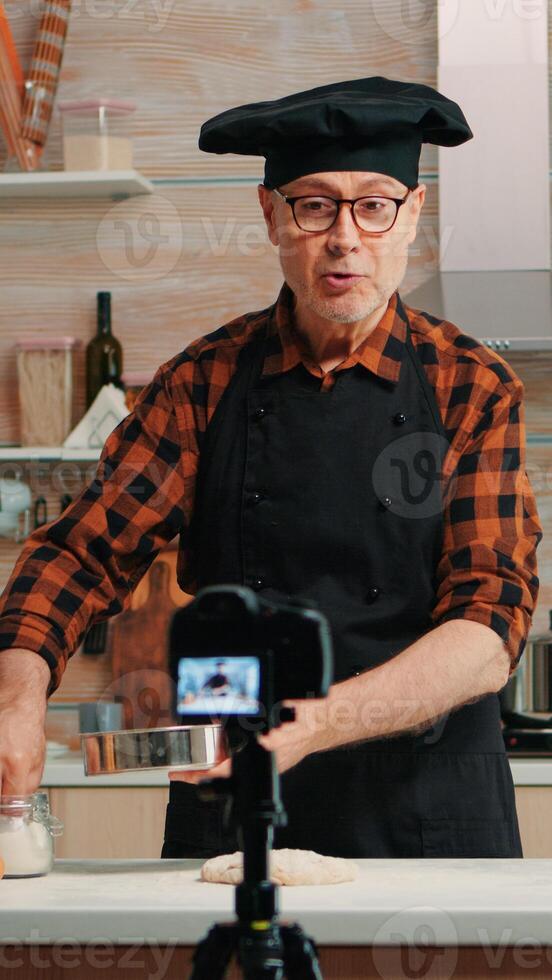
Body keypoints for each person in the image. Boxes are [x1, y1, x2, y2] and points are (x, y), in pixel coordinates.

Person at [0, 77, 542, 860]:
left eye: (374, 205)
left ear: (413, 216)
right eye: (315, 205)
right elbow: (79, 554)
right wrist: (17, 694)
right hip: (235, 815)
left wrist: (311, 723)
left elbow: (490, 625)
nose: (345, 238)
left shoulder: (471, 387)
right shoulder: (203, 384)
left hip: (431, 819)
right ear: (270, 215)